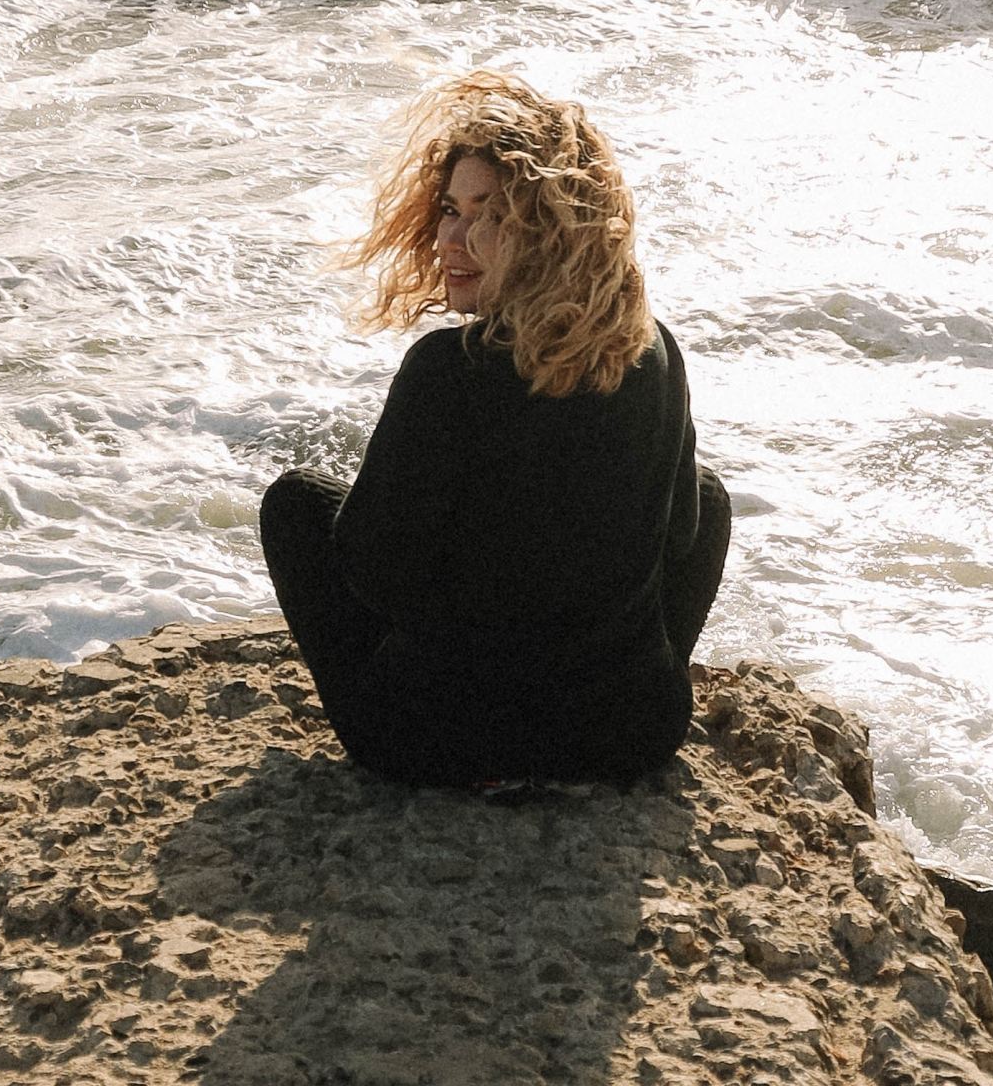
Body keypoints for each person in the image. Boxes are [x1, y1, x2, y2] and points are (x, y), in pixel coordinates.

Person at [258, 70, 730, 787]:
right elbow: (684, 538)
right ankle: (623, 683)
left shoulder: (447, 370)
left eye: (490, 214)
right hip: (628, 736)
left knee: (297, 501)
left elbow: (371, 567)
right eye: (450, 208)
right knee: (706, 493)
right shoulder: (652, 348)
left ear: (552, 231)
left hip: (435, 742)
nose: (453, 236)